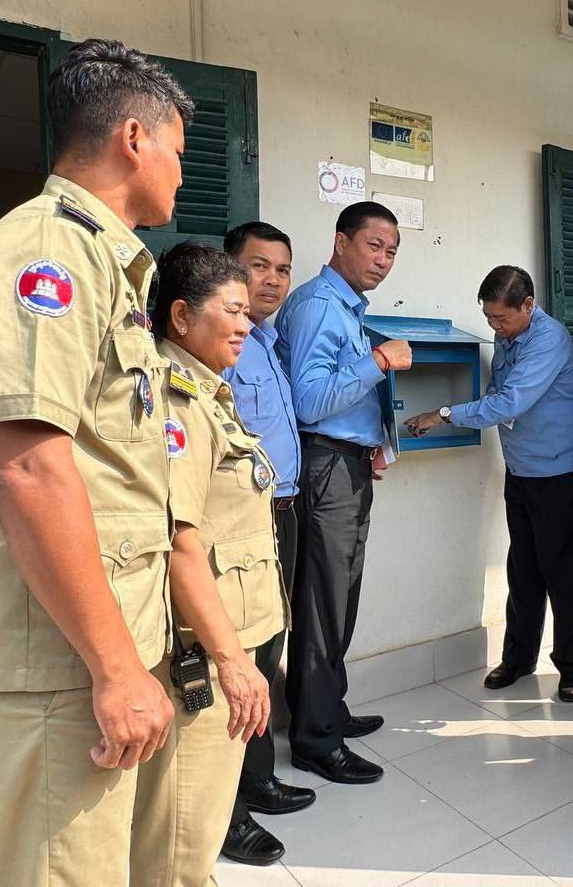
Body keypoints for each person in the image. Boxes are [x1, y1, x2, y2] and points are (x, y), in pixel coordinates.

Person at [0, 39, 216, 887]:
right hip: (58, 659)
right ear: (134, 138)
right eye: (177, 151)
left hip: (89, 644)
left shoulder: (105, 262)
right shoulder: (45, 256)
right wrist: (116, 667)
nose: (181, 173)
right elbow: (29, 469)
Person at [145, 241, 285, 883]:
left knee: (194, 825)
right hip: (203, 647)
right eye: (231, 310)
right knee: (184, 832)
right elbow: (180, 544)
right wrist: (231, 660)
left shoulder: (207, 393)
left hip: (226, 630)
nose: (245, 324)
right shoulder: (177, 403)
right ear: (181, 316)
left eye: (246, 312)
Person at [405, 266, 573, 703]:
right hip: (520, 470)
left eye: (501, 318)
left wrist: (444, 414)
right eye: (489, 318)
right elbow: (494, 394)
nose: (495, 326)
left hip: (558, 474)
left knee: (564, 574)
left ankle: (571, 668)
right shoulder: (508, 339)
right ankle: (519, 658)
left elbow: (509, 402)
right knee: (522, 570)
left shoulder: (548, 339)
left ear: (528, 305)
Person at [275, 201, 412, 784]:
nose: (383, 260)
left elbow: (340, 393)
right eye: (374, 245)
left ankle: (326, 707)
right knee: (323, 602)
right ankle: (315, 739)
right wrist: (379, 360)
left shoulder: (347, 307)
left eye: (391, 252)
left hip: (347, 464)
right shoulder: (317, 306)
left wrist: (375, 442)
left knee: (339, 596)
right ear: (340, 241)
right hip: (325, 466)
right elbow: (309, 403)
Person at [219, 222, 315, 866]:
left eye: (282, 269)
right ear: (230, 273)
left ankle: (257, 780)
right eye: (259, 266)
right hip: (241, 519)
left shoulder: (269, 343)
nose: (273, 280)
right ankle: (225, 812)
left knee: (269, 645)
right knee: (235, 655)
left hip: (283, 511)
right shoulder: (217, 346)